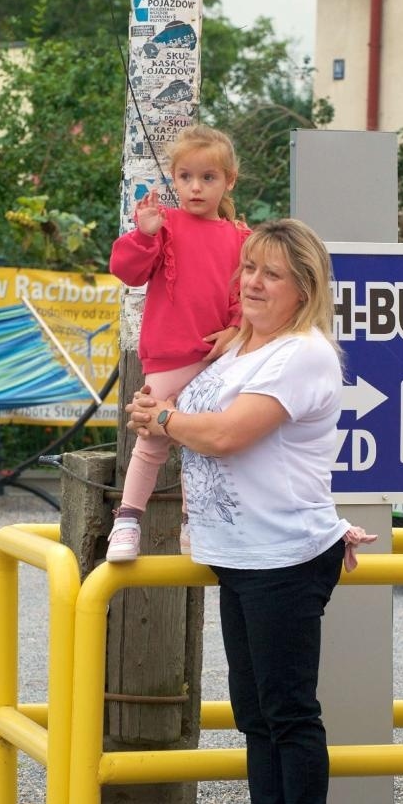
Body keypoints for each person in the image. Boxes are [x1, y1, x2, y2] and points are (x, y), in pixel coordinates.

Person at [125, 218, 374, 804]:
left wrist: (164, 421)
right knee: (256, 715)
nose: (252, 283)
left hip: (285, 555)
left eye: (271, 273)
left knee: (290, 714)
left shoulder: (304, 355)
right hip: (238, 554)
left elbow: (231, 435)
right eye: (248, 269)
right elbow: (195, 409)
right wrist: (163, 410)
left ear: (305, 287)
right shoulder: (238, 347)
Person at [107, 124, 249, 561]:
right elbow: (126, 271)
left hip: (217, 358)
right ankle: (127, 520)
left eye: (208, 177)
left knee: (203, 443)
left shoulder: (241, 236)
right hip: (169, 356)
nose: (196, 187)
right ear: (172, 178)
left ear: (229, 180)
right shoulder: (163, 225)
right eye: (185, 177)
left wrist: (234, 331)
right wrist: (145, 234)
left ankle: (195, 523)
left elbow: (246, 295)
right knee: (152, 440)